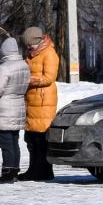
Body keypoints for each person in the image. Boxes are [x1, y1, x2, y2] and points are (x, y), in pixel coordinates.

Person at [0, 34, 30, 183]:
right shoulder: (23, 65)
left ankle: (7, 173)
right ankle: (14, 170)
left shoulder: (4, 68)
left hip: (3, 110)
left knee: (5, 143)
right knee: (13, 141)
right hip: (17, 107)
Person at [21, 26, 59, 181]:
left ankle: (44, 171)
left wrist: (30, 80)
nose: (29, 47)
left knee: (41, 139)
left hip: (44, 102)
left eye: (31, 44)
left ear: (38, 41)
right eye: (27, 45)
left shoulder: (49, 54)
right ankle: (33, 169)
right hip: (32, 100)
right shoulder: (31, 55)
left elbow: (49, 78)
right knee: (31, 138)